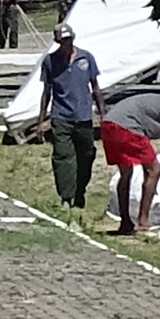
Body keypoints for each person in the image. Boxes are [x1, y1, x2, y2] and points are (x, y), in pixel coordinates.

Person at [100, 82, 160, 236]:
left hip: (108, 125)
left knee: (126, 174)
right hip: (127, 128)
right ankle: (143, 220)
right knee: (154, 170)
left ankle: (125, 222)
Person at [38, 31, 106, 214]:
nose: (66, 44)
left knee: (86, 154)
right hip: (61, 116)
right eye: (62, 41)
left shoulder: (86, 58)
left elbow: (96, 88)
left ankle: (80, 190)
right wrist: (41, 120)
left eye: (69, 40)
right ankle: (66, 197)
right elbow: (47, 92)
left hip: (84, 116)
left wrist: (102, 114)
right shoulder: (50, 61)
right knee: (63, 157)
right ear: (58, 41)